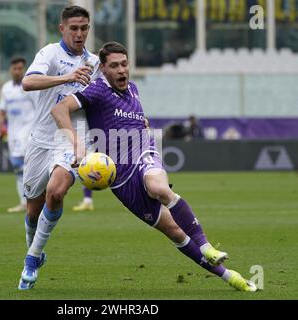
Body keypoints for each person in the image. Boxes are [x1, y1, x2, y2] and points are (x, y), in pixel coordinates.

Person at [50, 42, 257, 292]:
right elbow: (59, 109)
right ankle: (229, 276)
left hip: (143, 153)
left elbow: (135, 122)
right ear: (103, 69)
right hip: (122, 180)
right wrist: (77, 145)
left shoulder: (133, 89)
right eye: (114, 66)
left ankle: (206, 246)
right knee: (175, 232)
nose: (121, 70)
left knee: (158, 186)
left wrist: (144, 128)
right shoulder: (96, 91)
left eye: (124, 64)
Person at [18, 6, 102, 290]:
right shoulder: (50, 53)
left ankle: (30, 261)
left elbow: (104, 97)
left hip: (72, 138)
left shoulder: (95, 62)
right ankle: (36, 251)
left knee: (56, 190)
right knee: (32, 210)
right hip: (41, 138)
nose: (80, 34)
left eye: (85, 28)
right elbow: (28, 82)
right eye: (74, 28)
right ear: (62, 28)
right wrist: (67, 77)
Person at [0, 56, 36, 213]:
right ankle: (24, 202)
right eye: (15, 69)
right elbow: (2, 113)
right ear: (10, 70)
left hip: (30, 132)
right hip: (13, 134)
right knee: (18, 168)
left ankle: (31, 201)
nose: (18, 72)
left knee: (24, 166)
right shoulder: (6, 88)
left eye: (20, 69)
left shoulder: (29, 86)